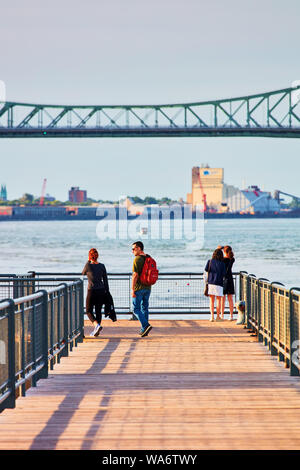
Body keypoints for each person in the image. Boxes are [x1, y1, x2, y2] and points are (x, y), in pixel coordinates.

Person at [82, 248, 109, 337]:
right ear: (97, 256)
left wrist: (88, 261)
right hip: (101, 290)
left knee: (88, 310)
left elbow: (83, 273)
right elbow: (105, 280)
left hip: (92, 290)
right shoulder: (102, 266)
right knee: (98, 310)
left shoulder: (88, 266)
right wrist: (107, 292)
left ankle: (97, 325)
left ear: (89, 257)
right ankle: (96, 329)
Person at [131, 241, 152, 337]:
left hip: (139, 288)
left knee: (135, 308)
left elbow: (135, 275)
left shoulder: (137, 259)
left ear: (139, 248)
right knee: (144, 308)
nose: (132, 251)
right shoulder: (148, 257)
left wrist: (132, 289)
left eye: (133, 249)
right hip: (148, 287)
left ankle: (145, 325)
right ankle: (144, 330)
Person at [204, 248, 226, 322]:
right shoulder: (222, 264)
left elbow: (206, 271)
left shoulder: (209, 261)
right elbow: (224, 274)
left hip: (211, 283)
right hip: (219, 283)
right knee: (219, 300)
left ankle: (212, 316)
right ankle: (218, 317)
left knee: (211, 301)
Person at [221, 245, 235, 321]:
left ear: (224, 251)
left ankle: (222, 315)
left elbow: (216, 257)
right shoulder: (232, 259)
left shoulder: (222, 259)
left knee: (222, 299)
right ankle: (231, 316)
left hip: (223, 279)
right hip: (230, 278)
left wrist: (218, 249)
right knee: (230, 299)